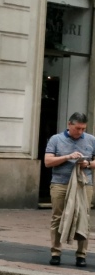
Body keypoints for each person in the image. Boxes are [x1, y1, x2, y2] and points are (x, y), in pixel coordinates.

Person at [44, 112, 95, 267]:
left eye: (83, 129)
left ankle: (81, 255)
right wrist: (67, 157)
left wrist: (88, 164)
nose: (80, 132)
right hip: (60, 183)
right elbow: (48, 162)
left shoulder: (91, 139)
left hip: (84, 184)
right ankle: (55, 252)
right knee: (58, 217)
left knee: (83, 217)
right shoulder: (56, 139)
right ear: (69, 124)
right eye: (77, 128)